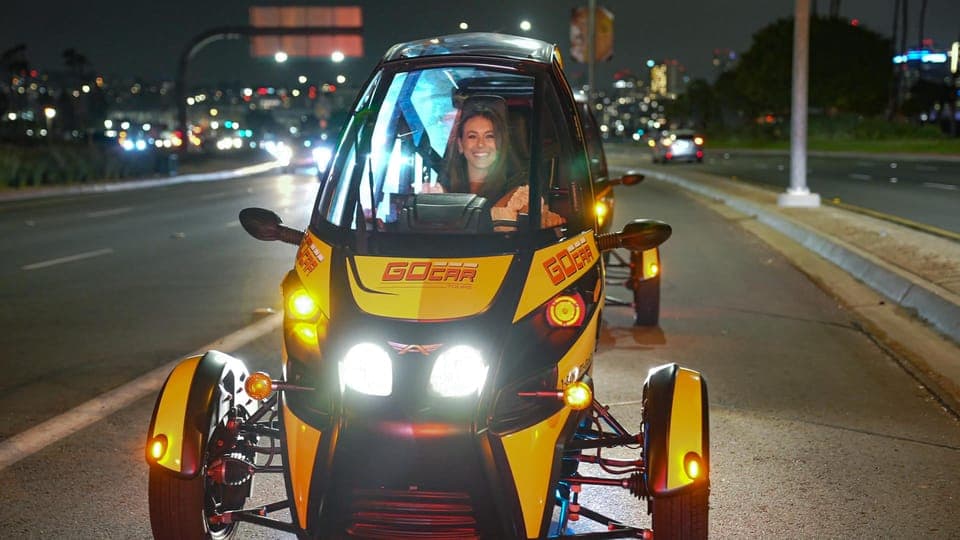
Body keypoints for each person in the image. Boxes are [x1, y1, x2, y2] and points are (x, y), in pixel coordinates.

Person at [435, 96, 565, 229]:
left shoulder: (517, 194)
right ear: (460, 145)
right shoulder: (443, 192)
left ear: (499, 145)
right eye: (472, 136)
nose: (480, 144)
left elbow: (534, 213)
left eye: (489, 136)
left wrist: (545, 219)